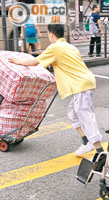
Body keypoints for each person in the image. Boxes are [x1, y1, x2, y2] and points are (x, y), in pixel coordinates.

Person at [9, 24, 104, 156]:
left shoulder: (55, 47)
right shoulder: (70, 46)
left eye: (48, 34)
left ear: (51, 35)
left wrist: (18, 61)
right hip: (85, 82)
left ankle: (99, 149)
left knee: (84, 115)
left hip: (81, 85)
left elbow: (35, 61)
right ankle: (86, 141)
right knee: (72, 114)